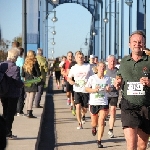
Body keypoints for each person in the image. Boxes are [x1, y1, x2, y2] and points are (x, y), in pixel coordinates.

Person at [114, 30, 150, 150]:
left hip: (146, 106)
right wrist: (117, 82)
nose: (137, 44)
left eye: (140, 42)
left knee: (142, 145)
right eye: (134, 42)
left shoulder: (149, 61)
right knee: (131, 144)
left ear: (144, 44)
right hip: (128, 106)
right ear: (129, 44)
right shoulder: (124, 61)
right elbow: (119, 76)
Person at [85, 61, 111, 148]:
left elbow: (109, 89)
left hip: (103, 102)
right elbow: (86, 89)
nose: (102, 68)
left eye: (103, 67)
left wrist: (108, 89)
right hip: (93, 102)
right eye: (100, 67)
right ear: (97, 68)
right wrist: (94, 90)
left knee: (102, 121)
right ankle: (93, 128)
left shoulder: (107, 78)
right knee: (94, 123)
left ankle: (99, 140)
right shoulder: (92, 78)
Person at [0, 48, 23, 139]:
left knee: (5, 112)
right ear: (15, 57)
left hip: (3, 92)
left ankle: (4, 132)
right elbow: (17, 82)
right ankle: (8, 132)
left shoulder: (1, 65)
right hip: (13, 94)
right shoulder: (15, 68)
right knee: (10, 114)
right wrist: (22, 84)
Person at [68, 51, 94, 129]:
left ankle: (83, 114)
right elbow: (69, 77)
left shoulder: (88, 66)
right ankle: (80, 123)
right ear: (75, 58)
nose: (80, 58)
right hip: (77, 89)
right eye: (78, 57)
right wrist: (71, 81)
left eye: (81, 57)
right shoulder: (74, 68)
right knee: (78, 106)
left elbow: (93, 77)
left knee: (85, 108)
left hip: (86, 90)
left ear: (84, 58)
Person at [22, 50, 41, 118]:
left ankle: (27, 111)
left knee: (27, 97)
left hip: (27, 81)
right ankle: (30, 112)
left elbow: (22, 74)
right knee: (31, 97)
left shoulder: (25, 63)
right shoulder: (34, 62)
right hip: (33, 81)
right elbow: (38, 73)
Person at [105, 55, 119, 138]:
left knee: (113, 110)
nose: (112, 63)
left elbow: (121, 83)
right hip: (104, 94)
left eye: (114, 61)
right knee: (105, 112)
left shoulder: (118, 71)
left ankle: (110, 130)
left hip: (114, 94)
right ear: (108, 61)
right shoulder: (104, 70)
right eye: (111, 61)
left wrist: (118, 86)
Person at [16, 47, 25, 116]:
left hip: (15, 78)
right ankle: (20, 110)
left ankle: (16, 110)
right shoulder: (22, 60)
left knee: (16, 95)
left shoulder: (15, 60)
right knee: (21, 95)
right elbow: (22, 68)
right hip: (21, 79)